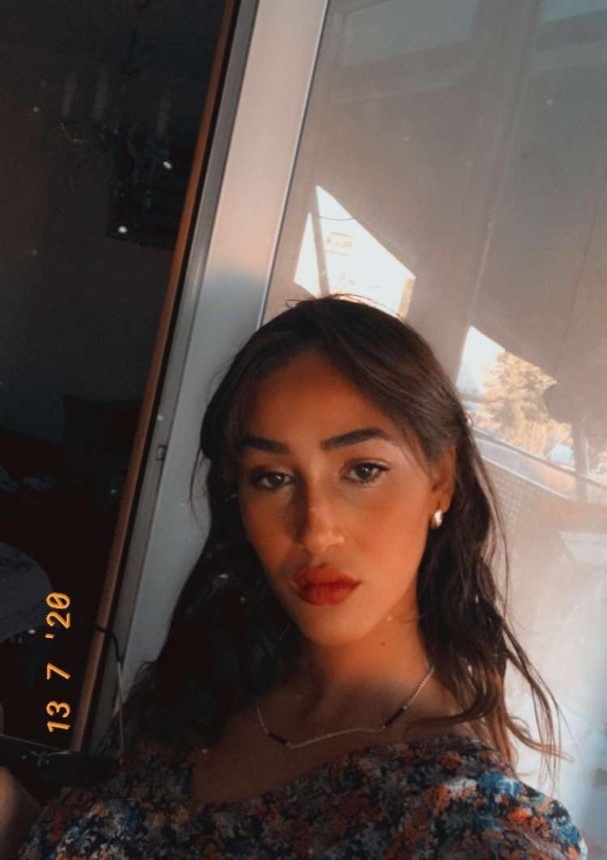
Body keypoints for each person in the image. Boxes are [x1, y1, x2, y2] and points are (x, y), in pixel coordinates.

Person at [17, 295, 587, 858]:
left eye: (362, 471)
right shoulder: (202, 686)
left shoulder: (456, 819)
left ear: (441, 477)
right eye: (272, 478)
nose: (315, 531)